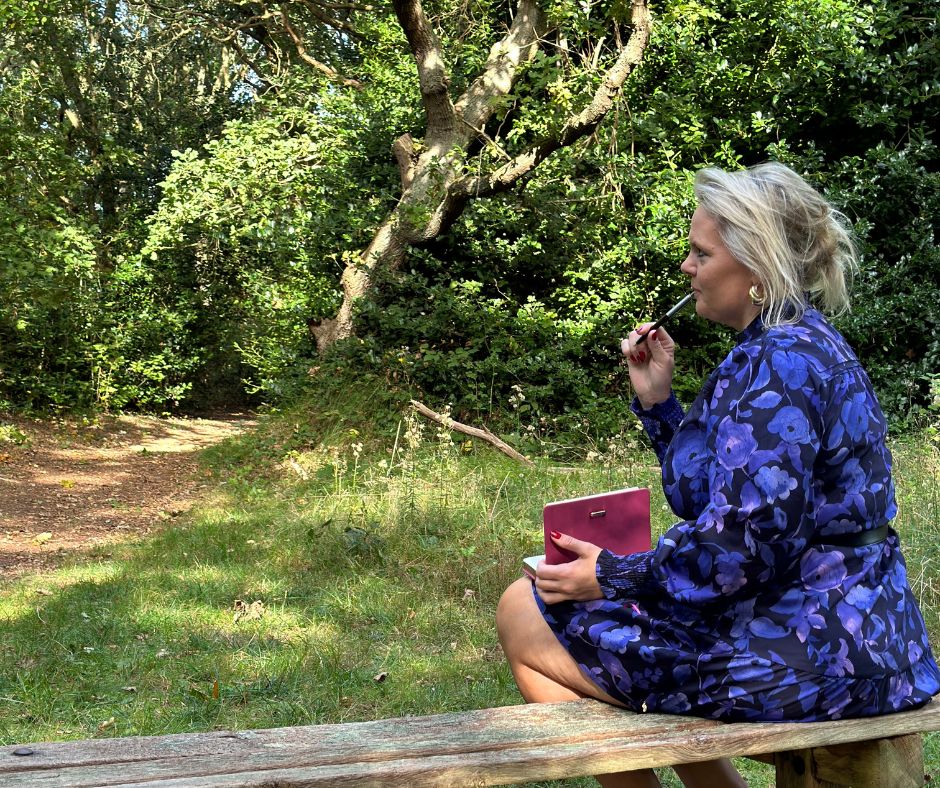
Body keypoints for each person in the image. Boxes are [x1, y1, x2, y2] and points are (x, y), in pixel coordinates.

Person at [496, 162, 940, 788]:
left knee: (525, 610)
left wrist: (613, 573)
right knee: (574, 615)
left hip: (816, 655)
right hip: (859, 636)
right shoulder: (796, 344)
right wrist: (658, 402)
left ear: (756, 267)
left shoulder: (777, 365)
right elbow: (708, 496)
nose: (687, 267)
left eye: (701, 254)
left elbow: (741, 550)